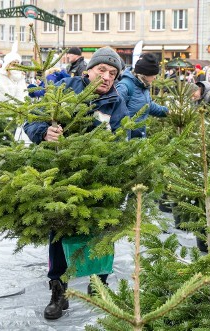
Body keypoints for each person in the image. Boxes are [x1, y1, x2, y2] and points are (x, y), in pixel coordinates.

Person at [23, 46, 128, 320]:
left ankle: (100, 287)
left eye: (112, 73)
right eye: (102, 70)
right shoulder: (65, 90)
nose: (106, 77)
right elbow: (31, 118)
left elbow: (126, 137)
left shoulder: (116, 102)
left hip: (101, 181)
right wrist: (43, 132)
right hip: (62, 178)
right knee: (60, 233)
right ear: (89, 69)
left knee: (103, 231)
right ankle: (59, 292)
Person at [116, 53, 168, 138]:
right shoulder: (124, 87)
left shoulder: (143, 85)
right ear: (145, 74)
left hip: (139, 142)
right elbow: (115, 116)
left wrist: (167, 112)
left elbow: (148, 106)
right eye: (153, 75)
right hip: (127, 144)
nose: (155, 78)